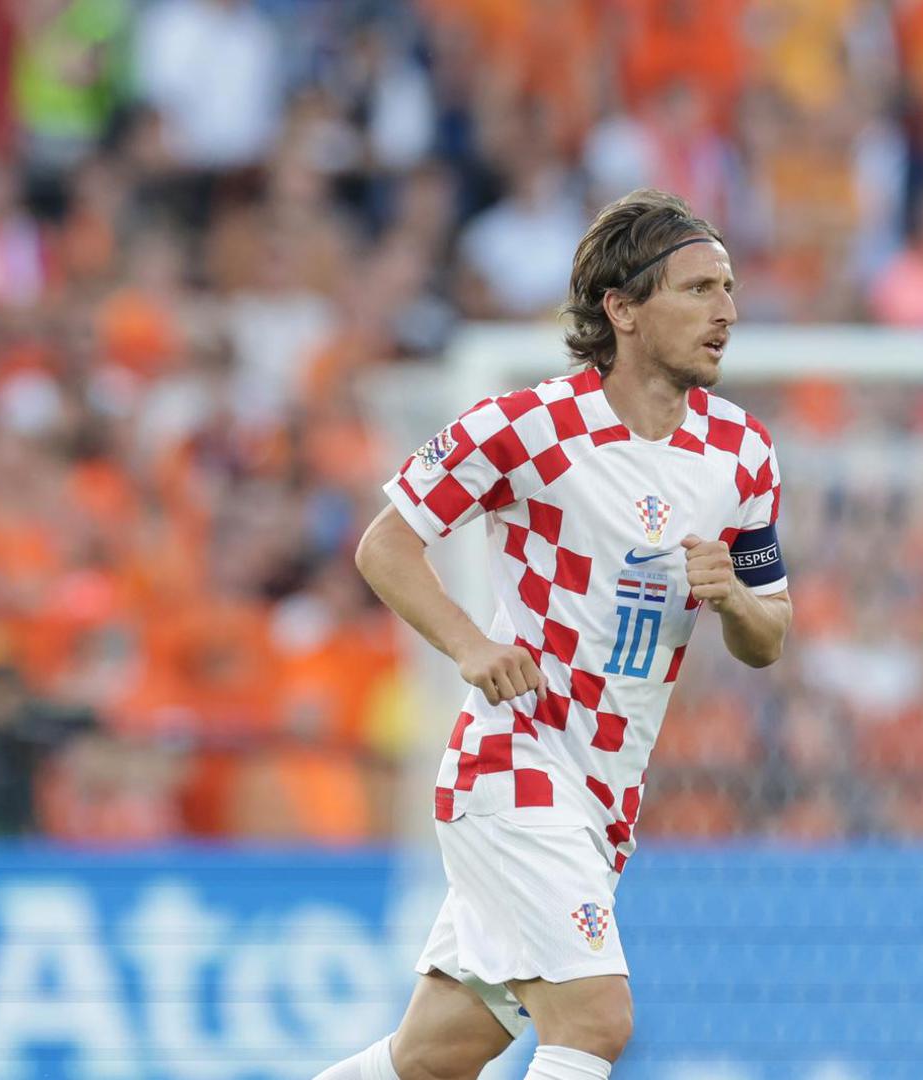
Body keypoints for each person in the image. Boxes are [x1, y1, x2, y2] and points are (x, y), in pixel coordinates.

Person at [314, 188, 792, 1080]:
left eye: (729, 289)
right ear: (622, 309)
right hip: (514, 766)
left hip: (606, 789)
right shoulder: (528, 426)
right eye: (697, 289)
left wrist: (732, 598)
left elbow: (770, 636)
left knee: (434, 1057)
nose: (726, 311)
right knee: (596, 1021)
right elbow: (387, 546)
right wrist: (470, 645)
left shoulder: (744, 454)